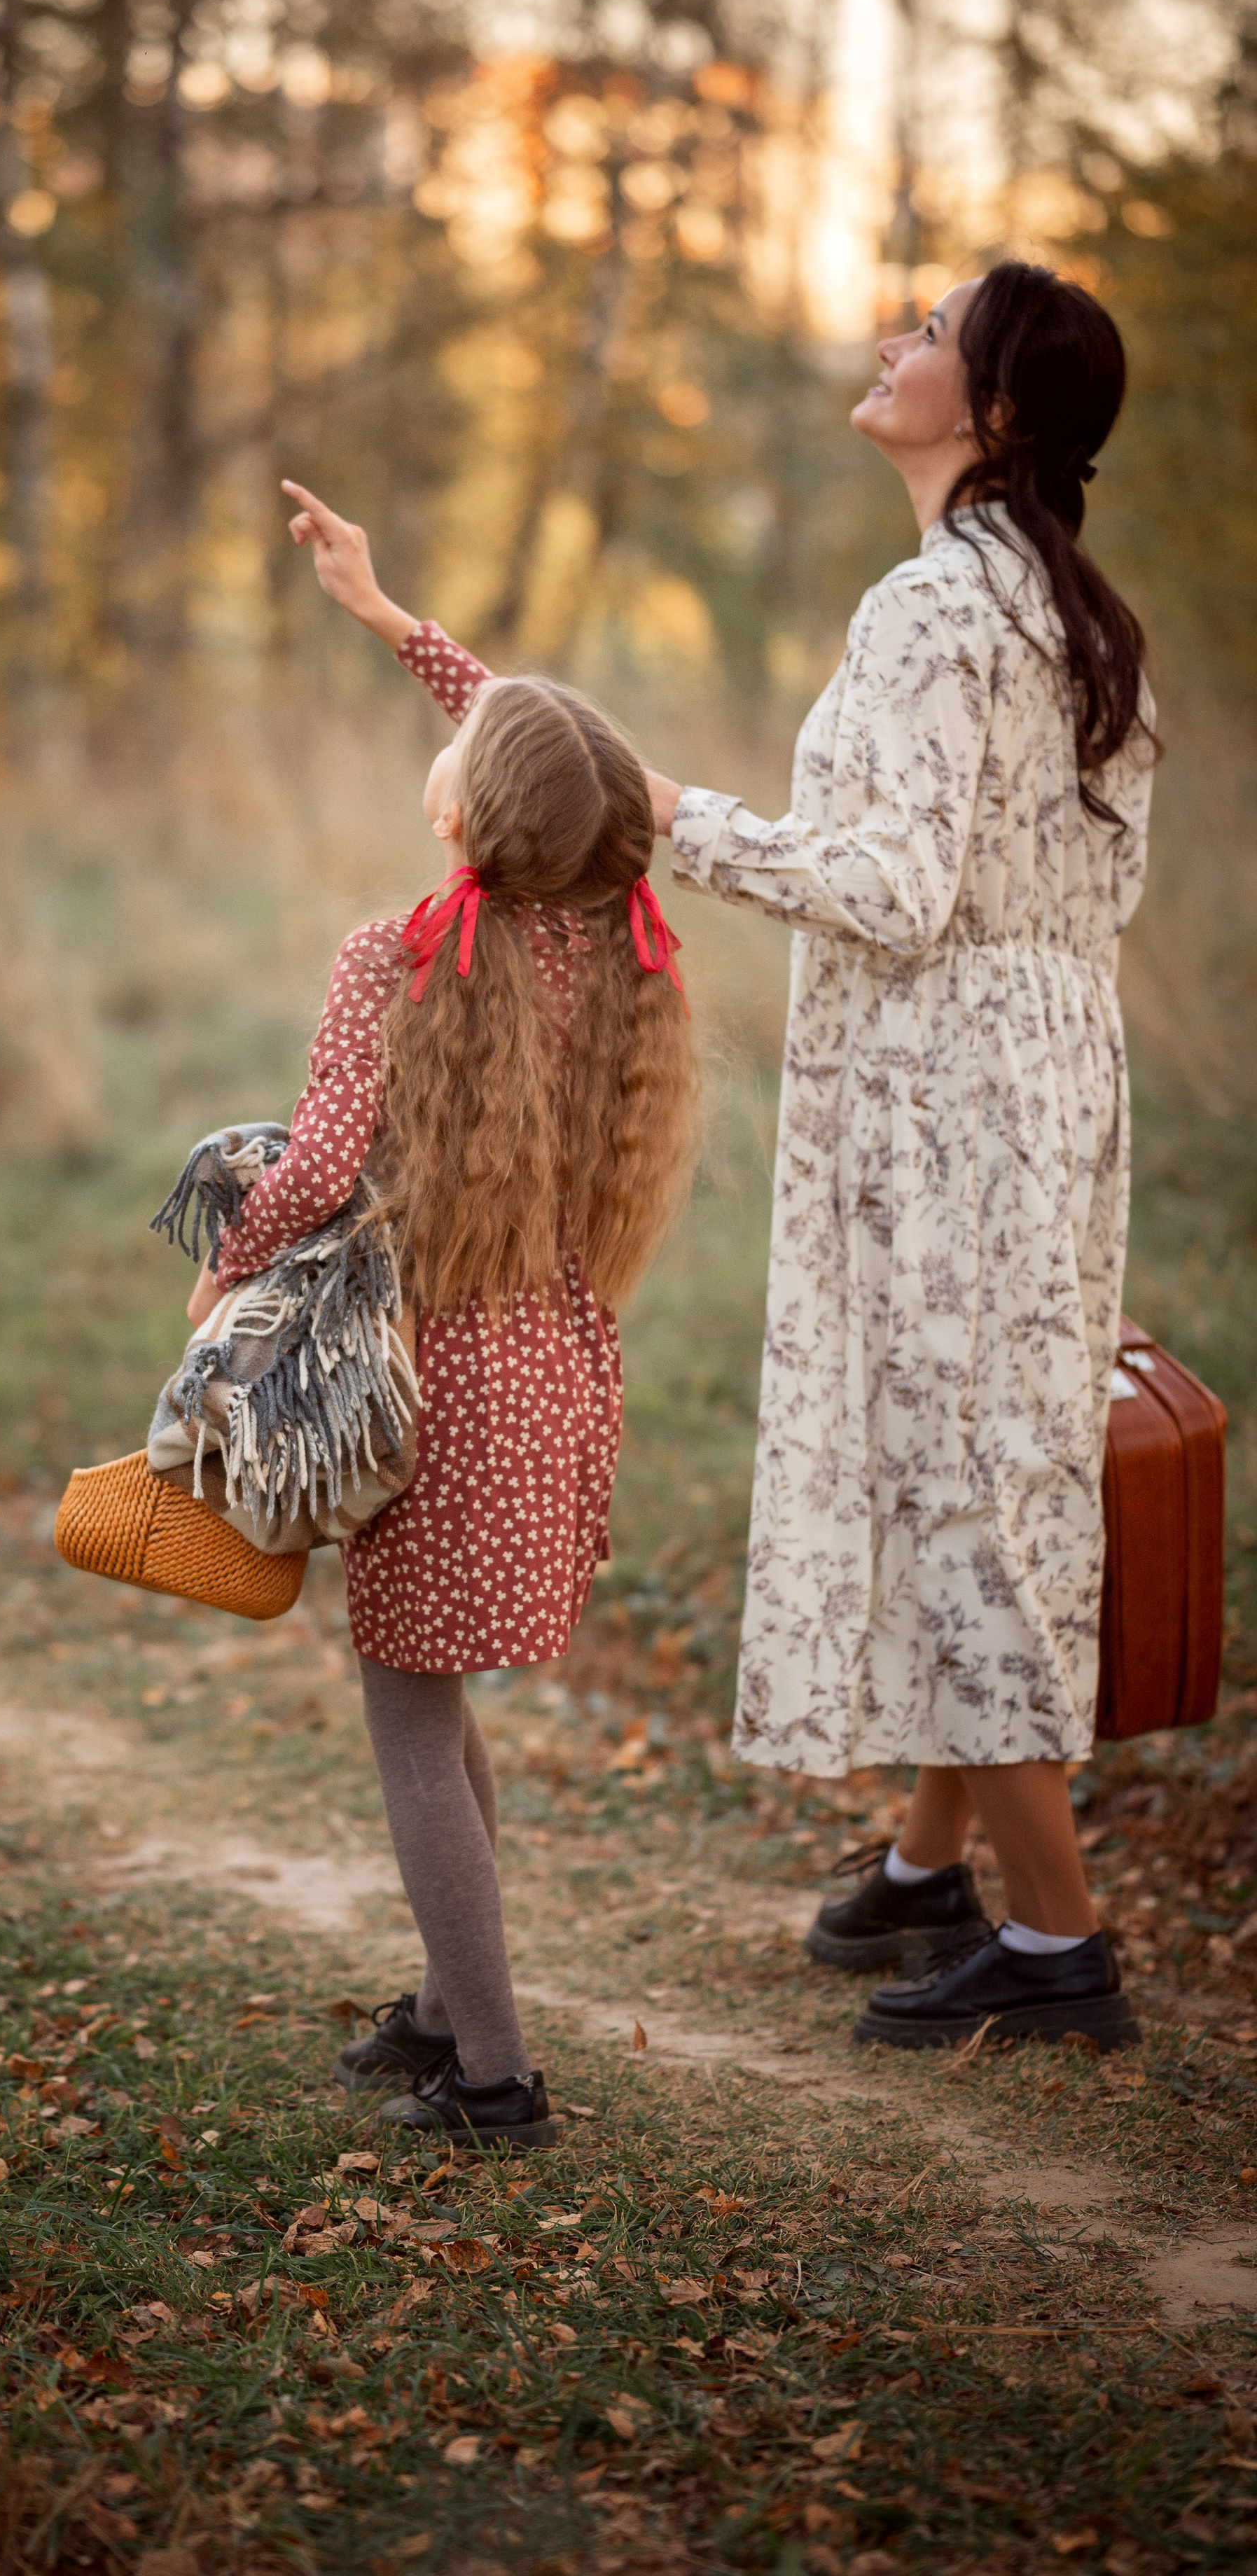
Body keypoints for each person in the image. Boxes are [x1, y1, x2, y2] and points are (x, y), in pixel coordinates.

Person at [645, 261, 1154, 2049]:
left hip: (944, 1091)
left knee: (950, 1474)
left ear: (996, 413)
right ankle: (936, 1858)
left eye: (928, 333)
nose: (889, 344)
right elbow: (1085, 892)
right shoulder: (1073, 607)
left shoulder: (933, 609)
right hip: (1045, 1077)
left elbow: (888, 888)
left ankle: (1055, 1941)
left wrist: (670, 820)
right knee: (995, 1453)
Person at [183, 485, 701, 2145]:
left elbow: (321, 1169)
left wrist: (218, 1258)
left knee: (408, 1716)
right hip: (551, 1364)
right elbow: (549, 756)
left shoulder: (391, 955)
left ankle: (493, 2074)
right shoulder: (617, 949)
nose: (457, 734)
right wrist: (381, 607)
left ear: (470, 814)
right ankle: (437, 2010)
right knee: (440, 1694)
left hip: (425, 1388)